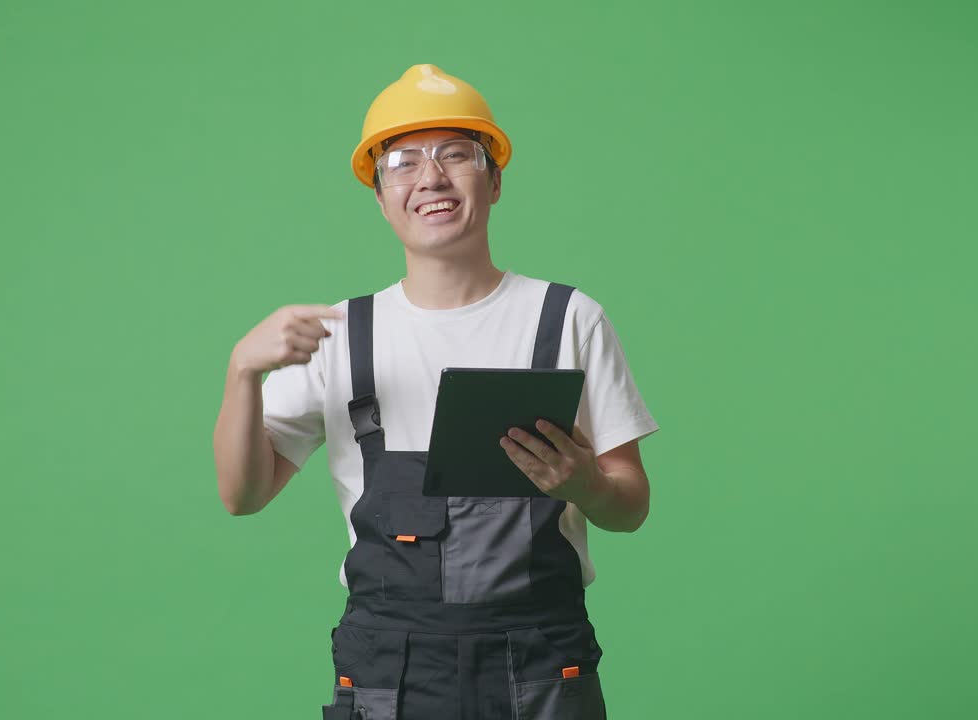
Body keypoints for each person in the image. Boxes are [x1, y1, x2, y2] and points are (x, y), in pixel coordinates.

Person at [213, 64, 660, 720]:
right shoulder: (341, 334)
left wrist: (583, 483)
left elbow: (631, 507)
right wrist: (241, 372)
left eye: (458, 155)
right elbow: (242, 496)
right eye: (401, 161)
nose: (431, 178)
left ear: (497, 179)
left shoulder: (567, 319)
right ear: (379, 194)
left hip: (540, 664)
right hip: (390, 671)